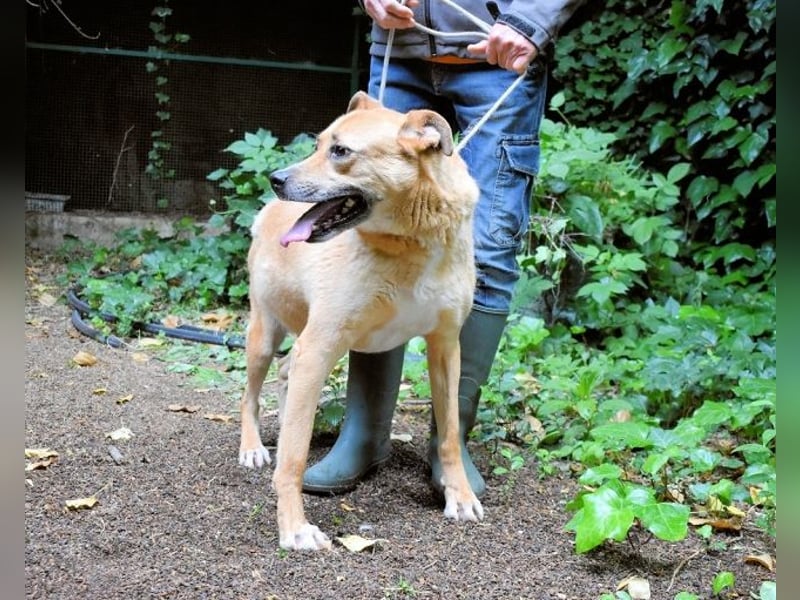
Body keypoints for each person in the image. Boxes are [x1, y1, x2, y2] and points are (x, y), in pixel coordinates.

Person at [302, 0, 585, 498]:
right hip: (399, 48)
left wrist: (532, 19)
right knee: (370, 239)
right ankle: (363, 433)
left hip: (500, 57)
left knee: (489, 248)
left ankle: (450, 446)